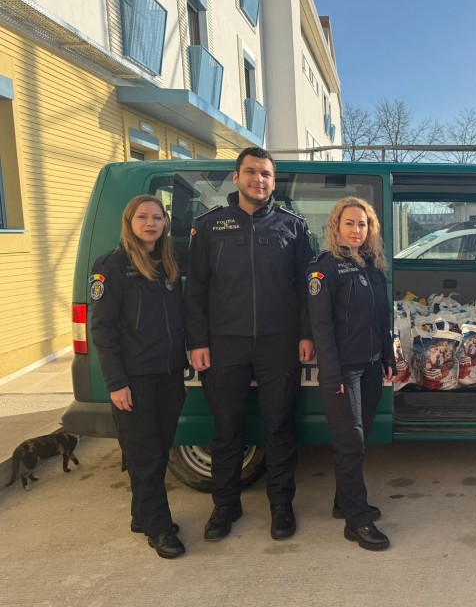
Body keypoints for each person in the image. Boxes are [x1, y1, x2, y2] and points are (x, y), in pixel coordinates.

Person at [184, 147, 315, 542]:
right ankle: (226, 507)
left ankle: (281, 506)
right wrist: (197, 341)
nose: (259, 180)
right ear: (236, 177)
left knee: (279, 427)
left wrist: (306, 334)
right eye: (252, 172)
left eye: (267, 175)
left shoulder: (294, 226)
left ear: (274, 182)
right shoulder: (209, 226)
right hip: (224, 345)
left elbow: (307, 290)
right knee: (227, 430)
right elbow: (197, 291)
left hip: (279, 344)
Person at [89, 195, 187, 559]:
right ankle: (160, 529)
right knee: (144, 455)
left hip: (168, 376)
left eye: (157, 218)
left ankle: (141, 516)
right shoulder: (111, 267)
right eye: (143, 217)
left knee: (158, 451)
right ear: (129, 222)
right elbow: (102, 330)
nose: (151, 223)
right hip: (135, 380)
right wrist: (116, 383)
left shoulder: (167, 266)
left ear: (164, 223)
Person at [307, 197, 396, 551]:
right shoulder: (324, 269)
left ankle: (344, 501)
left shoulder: (373, 267)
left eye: (363, 224)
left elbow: (381, 317)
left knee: (358, 440)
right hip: (343, 370)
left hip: (372, 366)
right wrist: (331, 375)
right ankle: (356, 521)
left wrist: (387, 354)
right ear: (336, 227)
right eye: (350, 223)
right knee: (351, 443)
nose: (357, 230)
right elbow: (321, 327)